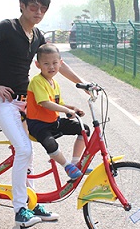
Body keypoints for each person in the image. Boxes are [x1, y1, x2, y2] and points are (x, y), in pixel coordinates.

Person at [0, 0, 90, 229]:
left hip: (26, 105)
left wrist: (82, 83)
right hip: (3, 102)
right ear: (22, 6)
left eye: (43, 8)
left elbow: (58, 63)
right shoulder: (7, 27)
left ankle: (32, 203)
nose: (39, 12)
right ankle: (20, 209)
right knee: (24, 150)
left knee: (29, 153)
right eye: (34, 7)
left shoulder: (38, 36)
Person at [26, 43, 91, 180]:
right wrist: (66, 110)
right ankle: (67, 166)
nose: (51, 67)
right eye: (46, 64)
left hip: (53, 122)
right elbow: (45, 103)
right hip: (38, 124)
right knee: (50, 144)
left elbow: (57, 104)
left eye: (55, 63)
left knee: (84, 129)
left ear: (60, 63)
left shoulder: (54, 83)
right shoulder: (37, 81)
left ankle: (76, 162)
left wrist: (72, 108)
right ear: (38, 65)